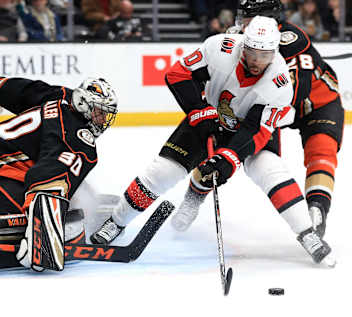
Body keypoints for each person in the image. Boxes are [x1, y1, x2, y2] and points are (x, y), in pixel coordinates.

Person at [90, 16, 335, 267]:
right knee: (162, 172)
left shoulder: (280, 82)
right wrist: (199, 110)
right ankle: (117, 221)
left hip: (250, 128)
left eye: (265, 55)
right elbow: (178, 74)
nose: (257, 61)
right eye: (252, 52)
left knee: (270, 169)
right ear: (243, 45)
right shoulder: (219, 47)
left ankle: (307, 234)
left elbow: (256, 130)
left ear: (274, 52)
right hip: (209, 115)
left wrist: (227, 158)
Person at [0, 55, 118, 273]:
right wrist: (42, 235)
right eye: (98, 112)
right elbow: (43, 178)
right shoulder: (77, 138)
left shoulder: (61, 96)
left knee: (69, 198)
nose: (102, 120)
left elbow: (19, 91)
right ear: (83, 103)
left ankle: (27, 228)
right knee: (67, 232)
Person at [223, 0, 344, 238]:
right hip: (278, 102)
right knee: (257, 157)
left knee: (321, 151)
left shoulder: (291, 41)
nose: (241, 24)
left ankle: (317, 209)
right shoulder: (245, 38)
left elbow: (296, 93)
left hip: (316, 102)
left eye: (247, 18)